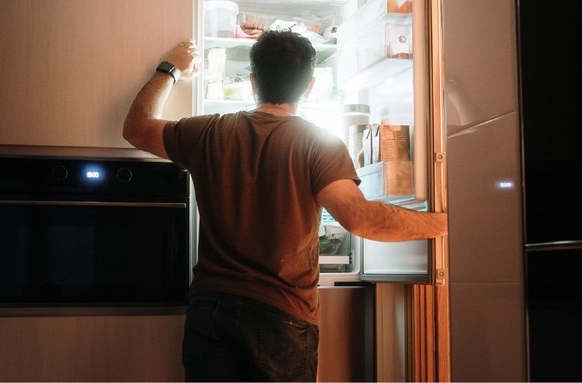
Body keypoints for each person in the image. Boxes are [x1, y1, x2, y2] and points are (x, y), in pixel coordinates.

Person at [122, 31, 448, 382]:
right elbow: (359, 217)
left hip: (212, 308)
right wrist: (442, 224)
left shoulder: (207, 132)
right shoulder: (318, 142)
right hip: (282, 313)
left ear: (252, 81)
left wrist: (169, 69)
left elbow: (136, 128)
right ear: (309, 86)